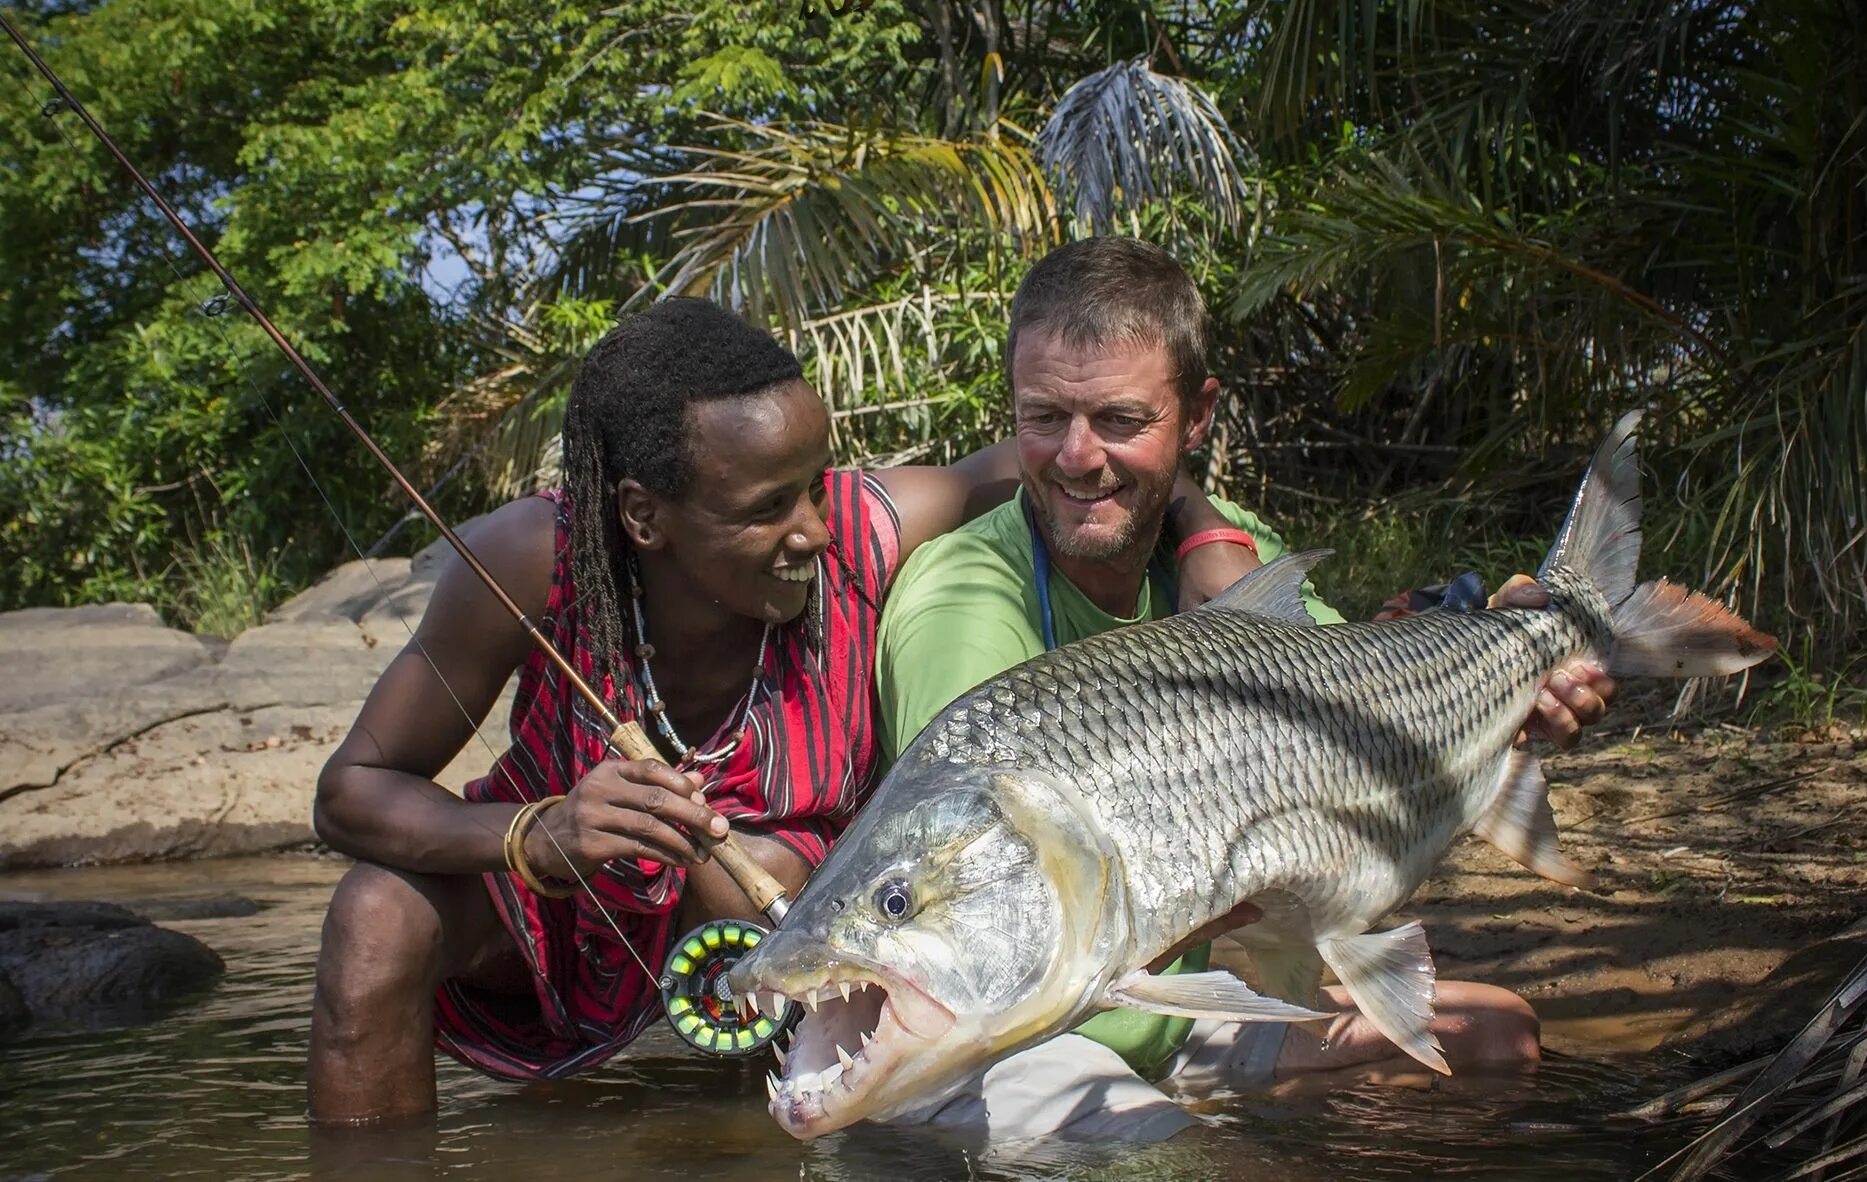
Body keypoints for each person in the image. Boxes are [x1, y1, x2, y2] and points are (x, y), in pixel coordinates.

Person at [306, 297, 1252, 1123]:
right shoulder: (527, 562)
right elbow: (350, 793)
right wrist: (532, 835)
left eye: (814, 481)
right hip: (555, 897)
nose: (810, 526)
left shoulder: (860, 525)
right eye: (768, 506)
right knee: (376, 916)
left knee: (748, 871)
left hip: (783, 915)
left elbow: (1075, 457)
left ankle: (783, 1134)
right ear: (643, 517)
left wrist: (1204, 527)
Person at [873, 236, 1614, 1142]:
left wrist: (1508, 692)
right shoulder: (965, 605)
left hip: (1170, 1011)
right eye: (1044, 418)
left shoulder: (1228, 558)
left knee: (1498, 1038)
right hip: (1014, 1036)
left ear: (1196, 419)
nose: (1076, 457)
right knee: (1186, 1160)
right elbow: (994, 917)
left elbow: (1376, 715)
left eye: (1118, 420)